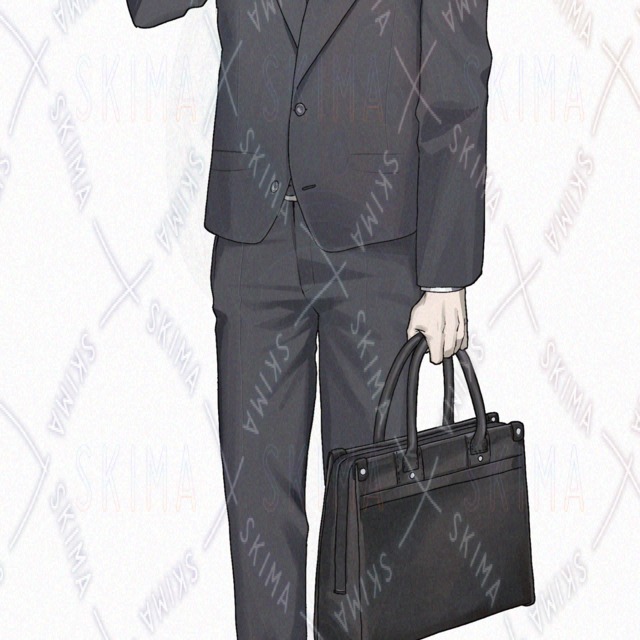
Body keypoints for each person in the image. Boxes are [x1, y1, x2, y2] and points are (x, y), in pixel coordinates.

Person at [127, 1, 492, 637]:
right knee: (256, 514)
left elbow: (456, 76)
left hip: (380, 242)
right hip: (254, 233)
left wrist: (446, 272)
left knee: (368, 512)